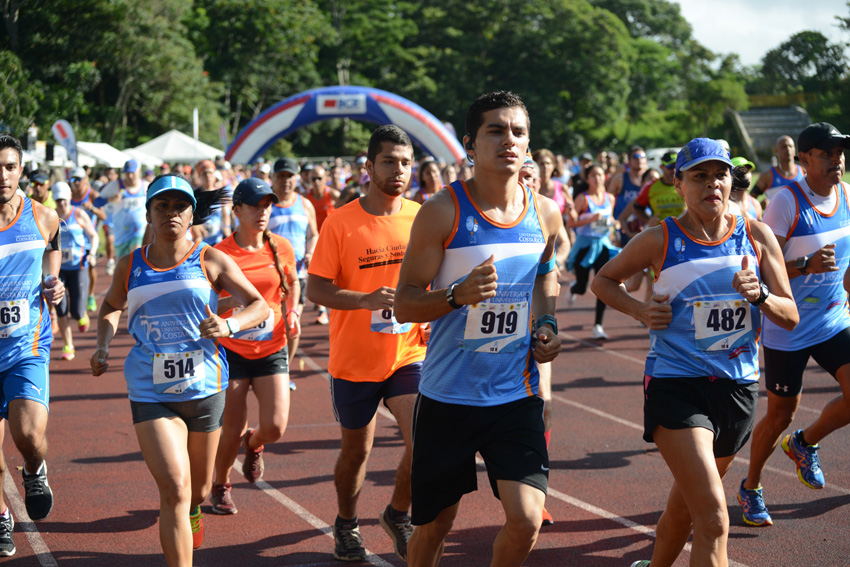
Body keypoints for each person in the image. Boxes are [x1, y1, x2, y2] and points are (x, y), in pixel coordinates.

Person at [591, 138, 798, 567]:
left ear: (731, 180)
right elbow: (603, 281)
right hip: (676, 385)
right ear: (679, 183)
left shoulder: (756, 236)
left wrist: (759, 295)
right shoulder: (659, 239)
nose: (711, 185)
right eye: (699, 176)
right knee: (714, 517)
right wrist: (641, 311)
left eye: (719, 174)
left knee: (685, 508)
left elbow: (790, 315)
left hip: (737, 390)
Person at [394, 91, 562, 567]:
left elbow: (547, 270)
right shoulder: (442, 211)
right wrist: (455, 296)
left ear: (529, 145)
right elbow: (405, 303)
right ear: (470, 143)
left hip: (515, 393)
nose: (509, 140)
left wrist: (546, 320)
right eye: (495, 130)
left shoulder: (545, 213)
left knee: (527, 519)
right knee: (432, 529)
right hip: (449, 396)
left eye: (518, 132)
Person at [90, 174, 266, 566]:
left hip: (204, 387)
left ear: (192, 215)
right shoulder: (130, 264)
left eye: (179, 206)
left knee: (199, 490)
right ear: (149, 214)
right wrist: (103, 344)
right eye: (162, 206)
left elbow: (259, 305)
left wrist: (230, 325)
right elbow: (110, 307)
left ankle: (194, 510)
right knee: (174, 488)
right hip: (151, 389)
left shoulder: (210, 259)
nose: (171, 213)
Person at [307, 125, 427, 562]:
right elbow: (316, 291)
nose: (399, 170)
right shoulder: (341, 222)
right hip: (354, 360)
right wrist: (367, 300)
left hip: (408, 354)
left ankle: (397, 513)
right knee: (357, 450)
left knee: (424, 439)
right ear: (369, 166)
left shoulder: (421, 216)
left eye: (405, 162)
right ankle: (346, 522)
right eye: (390, 161)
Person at [738, 122, 850, 527]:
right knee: (780, 414)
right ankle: (751, 486)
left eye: (840, 152)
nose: (837, 159)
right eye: (827, 153)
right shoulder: (785, 202)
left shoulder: (847, 194)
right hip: (789, 327)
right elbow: (765, 273)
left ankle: (805, 443)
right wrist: (806, 264)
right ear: (805, 160)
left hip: (835, 319)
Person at [209, 178, 300, 515]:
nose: (262, 212)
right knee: (230, 429)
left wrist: (292, 312)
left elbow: (291, 286)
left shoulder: (282, 247)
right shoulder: (218, 254)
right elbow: (205, 306)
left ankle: (254, 443)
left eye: (267, 205)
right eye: (254, 205)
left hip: (272, 346)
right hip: (232, 350)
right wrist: (233, 303)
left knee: (275, 427)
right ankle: (221, 485)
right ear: (236, 211)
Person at [0, 134, 66, 556]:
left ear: (20, 171)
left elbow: (53, 248)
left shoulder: (43, 217)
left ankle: (35, 467)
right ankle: (2, 518)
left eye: (8, 167)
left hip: (26, 345)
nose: (1, 175)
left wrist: (52, 283)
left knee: (29, 434)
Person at [269, 157, 319, 353]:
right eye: (281, 176)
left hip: (297, 275)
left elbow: (313, 233)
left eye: (289, 176)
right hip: (272, 275)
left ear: (296, 178)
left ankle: (286, 371)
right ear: (273, 178)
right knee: (273, 324)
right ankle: (273, 368)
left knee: (292, 322)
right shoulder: (266, 204)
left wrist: (310, 252)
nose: (285, 181)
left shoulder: (304, 204)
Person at [566, 164, 620, 339]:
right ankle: (574, 289)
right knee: (583, 287)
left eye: (599, 175)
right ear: (588, 179)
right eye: (593, 175)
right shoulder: (583, 199)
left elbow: (610, 218)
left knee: (603, 284)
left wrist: (615, 223)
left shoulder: (609, 198)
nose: (597, 178)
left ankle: (598, 325)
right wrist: (591, 218)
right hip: (585, 245)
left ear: (604, 177)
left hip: (603, 245)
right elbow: (571, 224)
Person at [52, 181, 99, 361]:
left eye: (64, 200)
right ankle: (68, 345)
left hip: (78, 266)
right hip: (59, 269)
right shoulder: (52, 217)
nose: (62, 204)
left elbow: (93, 235)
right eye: (58, 201)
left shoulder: (78, 213)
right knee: (61, 307)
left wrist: (92, 253)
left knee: (77, 311)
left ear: (69, 198)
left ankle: (82, 315)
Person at [99, 159, 149, 261]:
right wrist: (110, 199)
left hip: (139, 231)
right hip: (121, 234)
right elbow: (97, 202)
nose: (130, 176)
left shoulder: (146, 186)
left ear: (139, 171)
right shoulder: (115, 185)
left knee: (136, 258)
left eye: (132, 173)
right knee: (124, 267)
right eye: (127, 173)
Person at [68, 167, 100, 313]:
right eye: (72, 179)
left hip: (89, 238)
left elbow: (104, 215)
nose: (75, 183)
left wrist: (92, 208)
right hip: (74, 239)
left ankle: (91, 295)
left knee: (91, 266)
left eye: (78, 179)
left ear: (85, 180)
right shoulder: (67, 195)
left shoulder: (92, 194)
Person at [751, 135, 806, 208]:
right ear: (776, 151)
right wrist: (760, 205)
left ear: (794, 149)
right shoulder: (768, 176)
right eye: (784, 147)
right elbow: (750, 200)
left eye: (790, 146)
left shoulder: (803, 172)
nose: (788, 149)